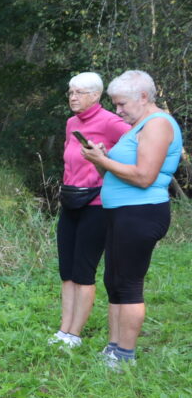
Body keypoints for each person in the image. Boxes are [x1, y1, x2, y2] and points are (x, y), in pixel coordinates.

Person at [81, 70, 183, 369]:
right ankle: (113, 349)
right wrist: (101, 161)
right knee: (113, 281)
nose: (118, 110)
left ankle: (125, 356)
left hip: (141, 213)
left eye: (121, 103)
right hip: (122, 212)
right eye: (115, 104)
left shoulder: (159, 124)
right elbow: (114, 173)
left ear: (142, 96)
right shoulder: (137, 126)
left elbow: (144, 177)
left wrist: (104, 160)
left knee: (128, 284)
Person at [51, 72, 128, 348]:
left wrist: (107, 160)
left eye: (80, 92)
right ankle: (63, 330)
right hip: (71, 201)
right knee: (67, 270)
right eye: (71, 92)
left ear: (96, 95)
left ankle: (75, 334)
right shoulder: (72, 122)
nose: (73, 97)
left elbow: (138, 151)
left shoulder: (111, 122)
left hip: (97, 204)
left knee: (83, 270)